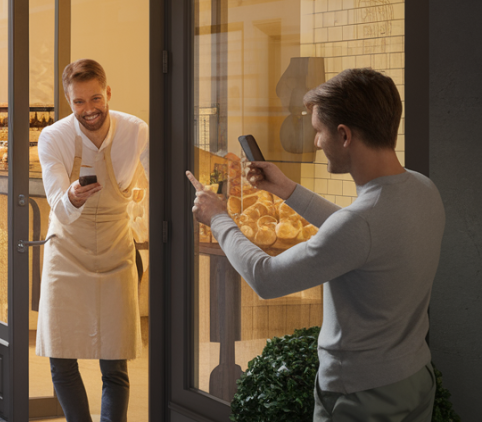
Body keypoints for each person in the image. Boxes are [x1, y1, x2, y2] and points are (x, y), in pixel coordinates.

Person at [188, 68, 444, 422]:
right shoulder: (422, 189)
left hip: (360, 396)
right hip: (414, 380)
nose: (315, 143)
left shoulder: (360, 224)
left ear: (344, 135)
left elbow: (267, 278)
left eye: (318, 132)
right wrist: (287, 189)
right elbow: (361, 236)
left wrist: (218, 218)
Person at [36, 59, 149, 422]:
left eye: (95, 99)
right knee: (62, 359)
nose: (89, 110)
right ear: (69, 102)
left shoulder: (136, 131)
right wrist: (72, 197)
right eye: (78, 102)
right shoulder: (53, 137)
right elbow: (56, 201)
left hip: (117, 247)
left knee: (115, 365)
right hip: (66, 249)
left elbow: (161, 180)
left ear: (108, 93)